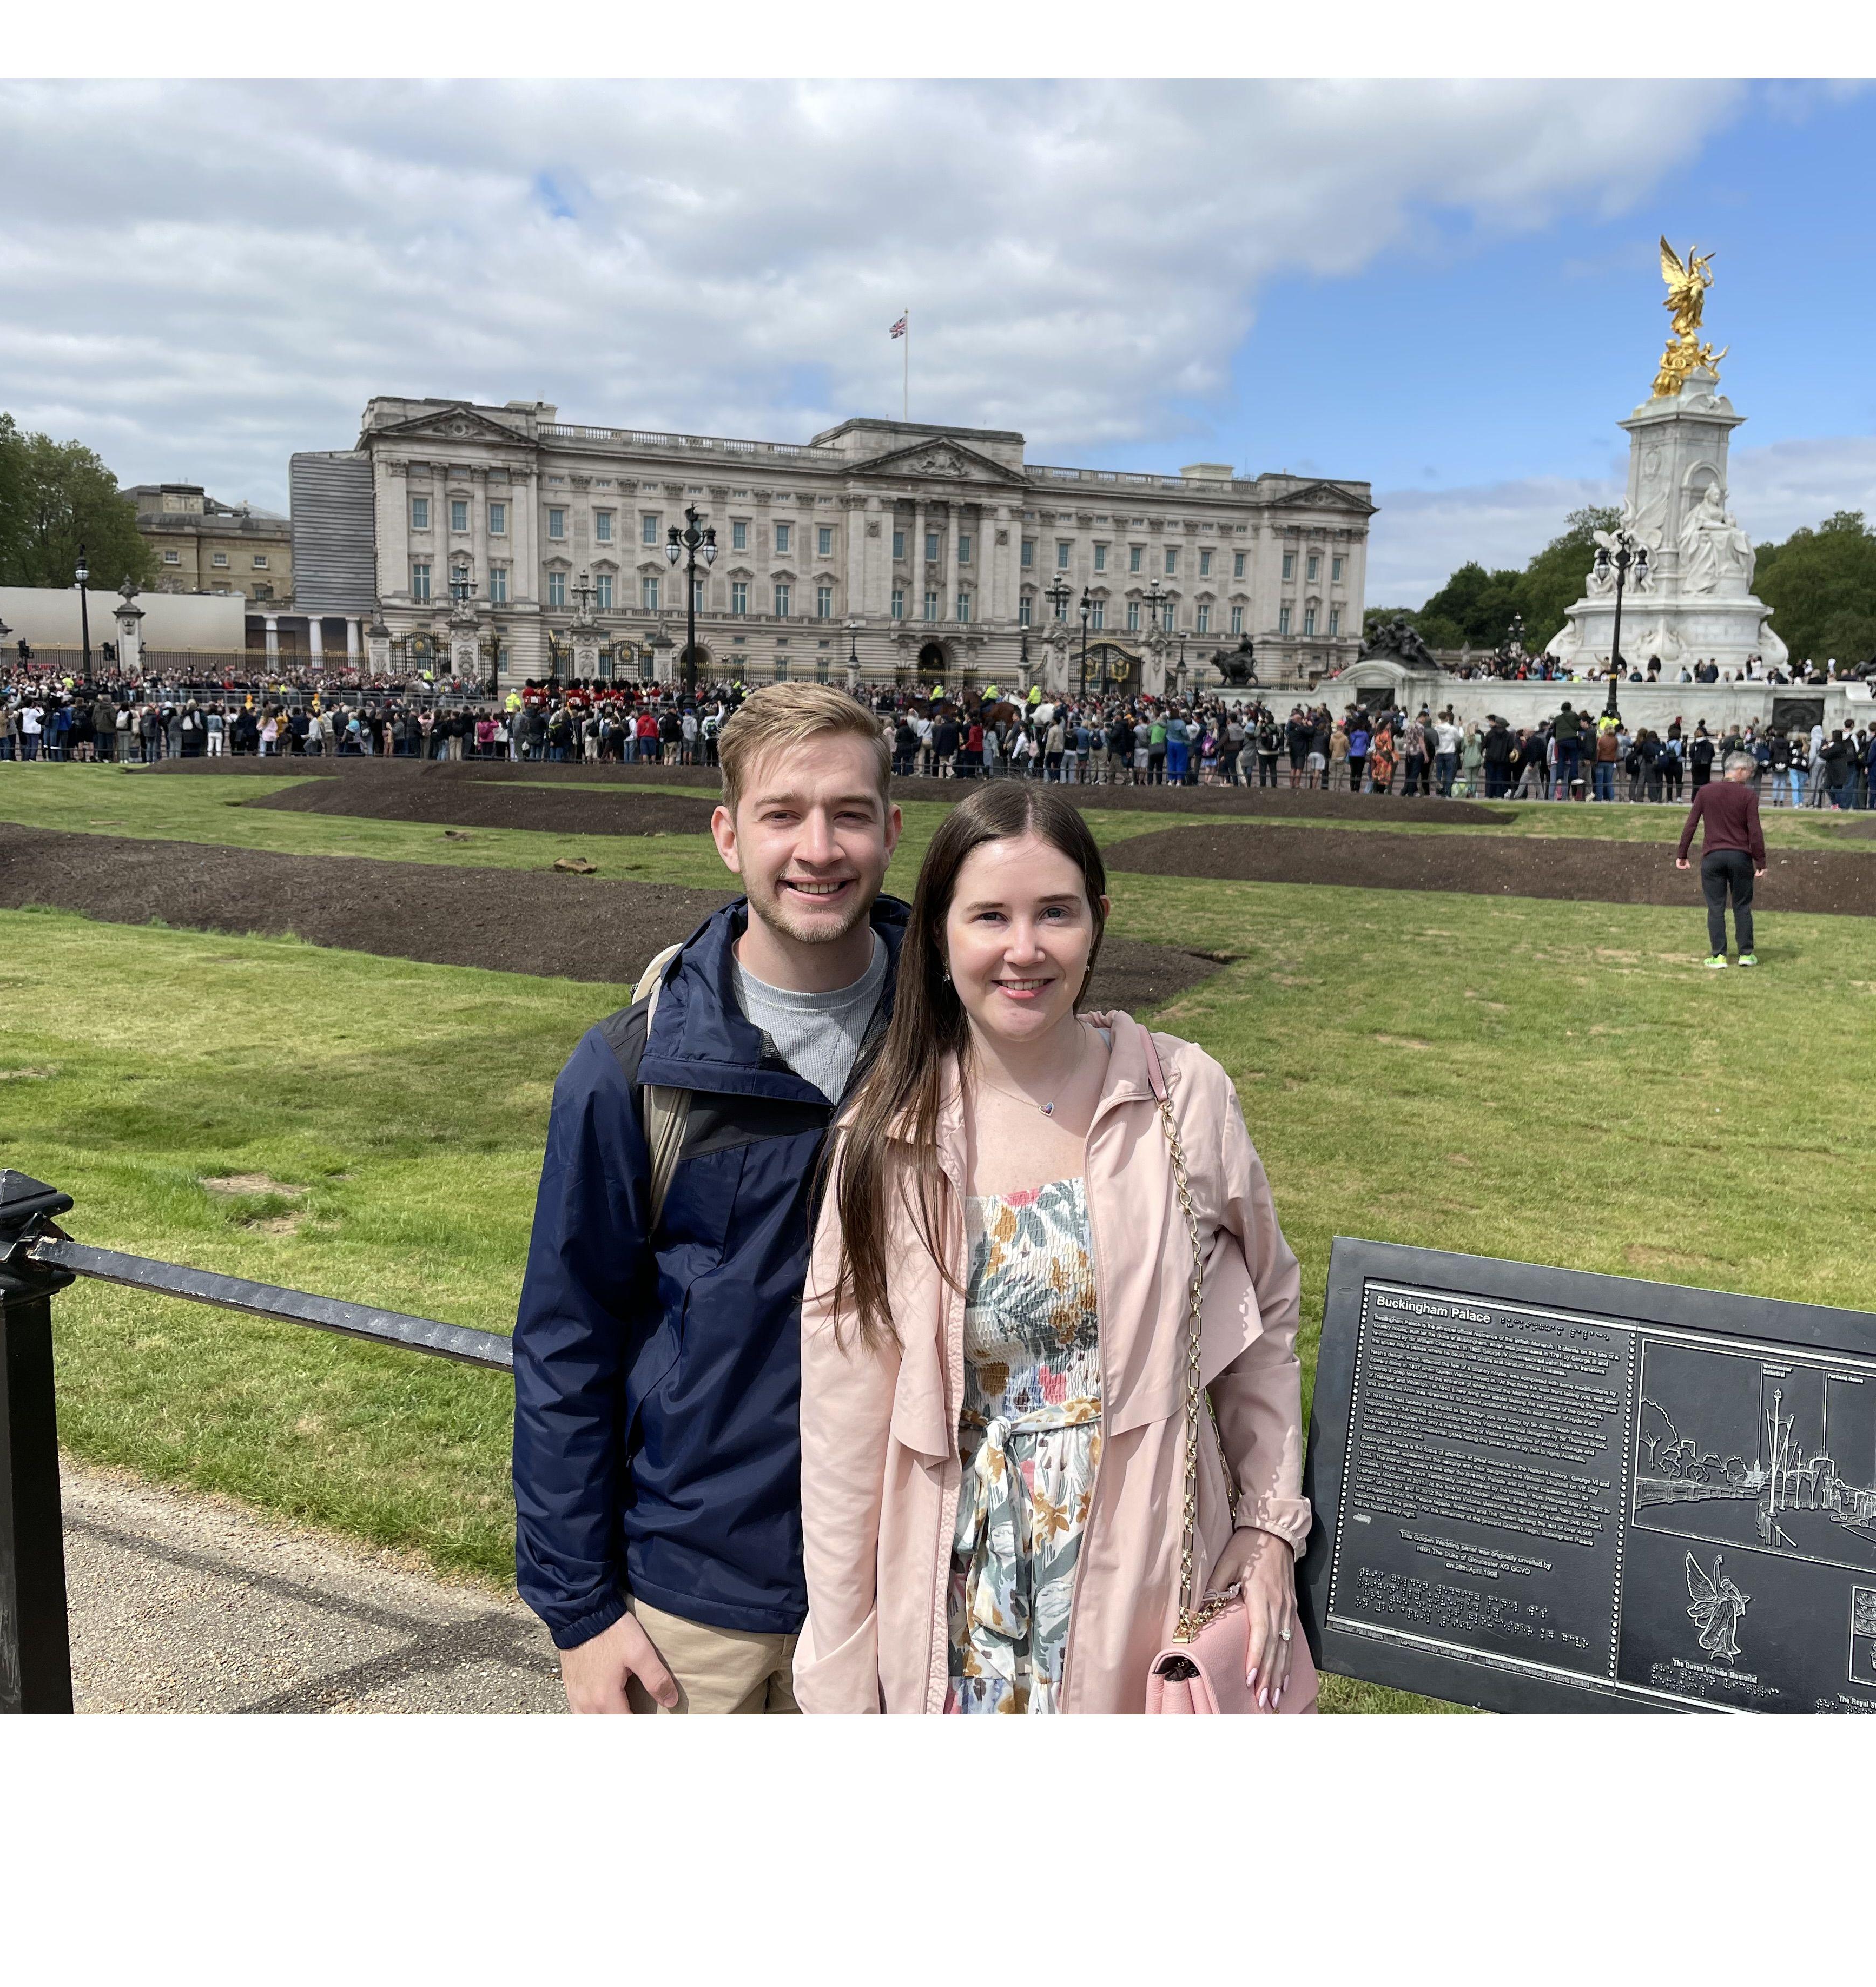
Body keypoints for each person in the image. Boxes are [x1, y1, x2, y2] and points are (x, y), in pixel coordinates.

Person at [794, 782, 1310, 1713]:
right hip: (955, 1607)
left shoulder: (1181, 1096)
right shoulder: (886, 1137)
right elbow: (840, 1429)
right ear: (940, 934)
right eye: (989, 914)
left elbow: (1263, 1318)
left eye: (1055, 914)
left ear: (1098, 921)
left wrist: (1270, 1527)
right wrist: (840, 1674)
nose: (1023, 950)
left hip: (1146, 1586)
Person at [513, 684, 908, 1714]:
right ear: (728, 835)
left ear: (891, 831)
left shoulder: (962, 1040)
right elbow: (567, 1345)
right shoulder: (628, 1069)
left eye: (848, 813)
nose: (817, 847)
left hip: (905, 1593)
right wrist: (583, 1611)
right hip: (695, 1598)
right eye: (783, 814)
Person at [1676, 750, 1769, 969]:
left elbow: (1691, 825)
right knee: (1742, 906)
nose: (1750, 776)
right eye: (1749, 772)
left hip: (1713, 857)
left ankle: (1719, 956)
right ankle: (1746, 954)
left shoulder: (1706, 792)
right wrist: (1761, 862)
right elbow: (1755, 832)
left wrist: (1682, 854)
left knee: (1715, 907)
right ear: (1738, 771)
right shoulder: (1748, 796)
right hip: (1740, 857)